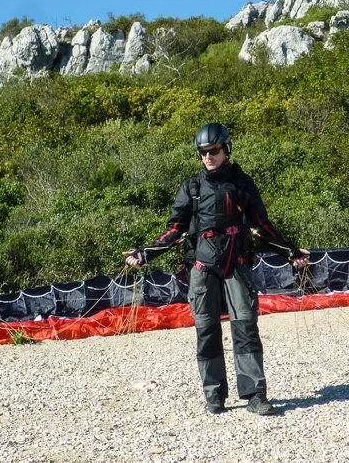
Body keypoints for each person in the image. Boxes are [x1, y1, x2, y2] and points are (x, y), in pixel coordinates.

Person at [123, 122, 310, 416]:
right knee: (207, 330)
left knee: (246, 326)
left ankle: (255, 395)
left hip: (236, 264)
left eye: (214, 151)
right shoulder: (192, 187)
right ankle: (214, 395)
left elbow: (261, 224)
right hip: (202, 267)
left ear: (226, 150)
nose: (208, 157)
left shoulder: (242, 183)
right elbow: (174, 228)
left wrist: (290, 251)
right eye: (202, 153)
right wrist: (145, 254)